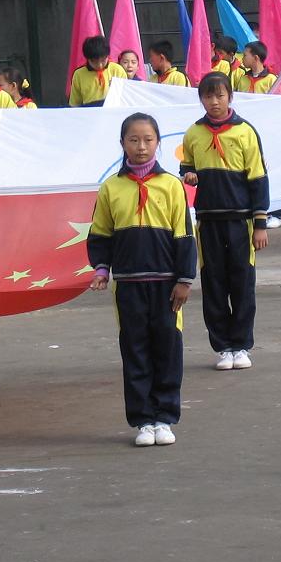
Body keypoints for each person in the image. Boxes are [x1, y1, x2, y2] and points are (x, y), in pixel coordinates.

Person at [88, 113, 195, 447]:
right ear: (122, 144)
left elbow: (185, 236)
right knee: (134, 349)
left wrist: (185, 279)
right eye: (133, 140)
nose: (141, 146)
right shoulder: (111, 188)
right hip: (129, 285)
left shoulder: (171, 186)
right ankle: (142, 421)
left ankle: (165, 417)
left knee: (167, 348)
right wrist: (102, 269)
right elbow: (101, 233)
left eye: (148, 139)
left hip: (166, 285)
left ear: (158, 143)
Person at [180, 72, 269, 371]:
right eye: (208, 96)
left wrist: (260, 222)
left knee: (242, 282)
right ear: (201, 99)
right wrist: (189, 176)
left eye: (220, 95)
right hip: (208, 221)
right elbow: (186, 167)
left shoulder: (245, 132)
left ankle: (242, 344)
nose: (214, 102)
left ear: (230, 96)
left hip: (241, 220)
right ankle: (223, 347)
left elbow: (258, 178)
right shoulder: (193, 133)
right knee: (214, 283)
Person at [69, 35, 127, 107]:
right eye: (94, 62)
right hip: (89, 114)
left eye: (103, 60)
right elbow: (75, 104)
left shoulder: (117, 70)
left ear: (107, 56)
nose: (99, 65)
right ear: (87, 59)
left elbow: (126, 97)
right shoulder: (79, 74)